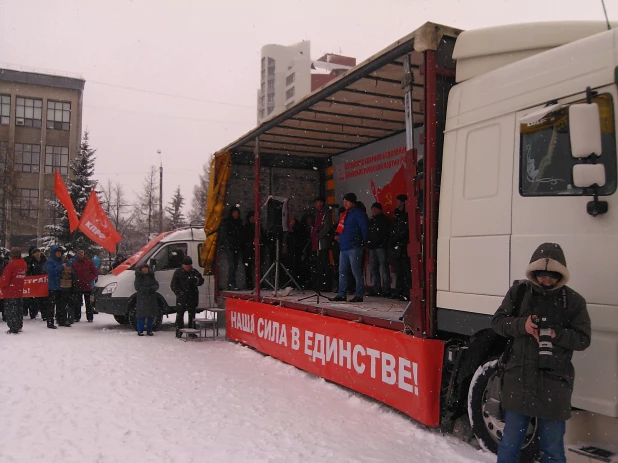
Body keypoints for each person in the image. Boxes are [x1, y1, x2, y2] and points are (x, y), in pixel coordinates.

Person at [492, 243, 591, 463]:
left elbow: (583, 339)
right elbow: (497, 323)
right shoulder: (519, 292)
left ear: (560, 275)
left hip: (555, 384)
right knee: (509, 446)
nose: (546, 281)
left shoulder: (573, 301)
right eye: (541, 275)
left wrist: (556, 333)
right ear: (534, 272)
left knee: (553, 451)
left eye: (552, 276)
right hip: (520, 380)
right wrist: (522, 325)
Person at [329, 193, 368, 303]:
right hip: (344, 247)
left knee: (356, 271)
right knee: (342, 271)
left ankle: (359, 294)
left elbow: (364, 228)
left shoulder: (358, 213)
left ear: (352, 202)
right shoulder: (346, 214)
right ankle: (342, 294)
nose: (344, 203)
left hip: (354, 246)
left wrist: (363, 241)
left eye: (346, 201)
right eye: (344, 201)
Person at [171, 256, 205, 338]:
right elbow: (173, 285)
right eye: (185, 265)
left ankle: (192, 331)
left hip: (192, 297)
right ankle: (179, 331)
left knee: (192, 315)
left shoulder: (194, 272)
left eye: (189, 265)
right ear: (182, 265)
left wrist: (195, 280)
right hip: (182, 297)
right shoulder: (178, 272)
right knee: (180, 315)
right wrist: (179, 293)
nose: (187, 267)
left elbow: (201, 281)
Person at [388, 194, 411, 301]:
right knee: (398, 271)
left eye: (398, 201)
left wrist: (397, 238)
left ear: (403, 202)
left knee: (405, 270)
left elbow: (405, 230)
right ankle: (399, 291)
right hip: (397, 246)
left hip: (403, 245)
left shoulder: (407, 215)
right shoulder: (397, 215)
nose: (396, 203)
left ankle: (406, 292)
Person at [0, 248, 27, 334]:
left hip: (10, 291)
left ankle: (13, 327)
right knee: (18, 309)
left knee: (11, 310)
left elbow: (5, 279)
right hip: (19, 290)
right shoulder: (23, 264)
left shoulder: (11, 265)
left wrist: (1, 285)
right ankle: (18, 325)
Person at [367, 202, 391, 297]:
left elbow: (384, 234)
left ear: (380, 210)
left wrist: (374, 242)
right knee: (375, 269)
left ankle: (385, 289)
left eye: (375, 209)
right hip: (374, 247)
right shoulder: (372, 220)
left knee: (383, 268)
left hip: (380, 247)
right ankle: (378, 289)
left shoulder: (383, 220)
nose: (373, 211)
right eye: (372, 209)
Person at [45, 245, 71, 328]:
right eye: (57, 252)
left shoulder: (62, 261)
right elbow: (51, 272)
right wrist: (61, 267)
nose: (59, 254)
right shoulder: (50, 262)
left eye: (60, 252)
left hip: (61, 285)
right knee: (51, 306)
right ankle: (50, 322)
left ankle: (62, 320)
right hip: (53, 286)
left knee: (62, 304)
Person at [311, 197, 333, 293]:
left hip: (322, 242)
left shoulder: (326, 212)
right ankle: (319, 284)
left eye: (317, 202)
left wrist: (319, 235)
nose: (315, 204)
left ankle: (326, 285)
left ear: (322, 202)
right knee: (319, 264)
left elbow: (327, 226)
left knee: (324, 263)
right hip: (317, 242)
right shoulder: (318, 213)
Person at [71, 250, 98, 322]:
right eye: (79, 253)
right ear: (77, 254)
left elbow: (95, 272)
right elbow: (72, 273)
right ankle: (77, 317)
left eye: (82, 253)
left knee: (88, 303)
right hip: (78, 285)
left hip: (87, 286)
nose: (80, 254)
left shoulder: (89, 262)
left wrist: (89, 279)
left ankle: (90, 317)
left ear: (84, 254)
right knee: (77, 302)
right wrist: (75, 281)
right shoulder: (74, 263)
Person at [134, 263, 159, 336]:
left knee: (151, 315)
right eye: (143, 268)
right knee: (142, 316)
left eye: (146, 268)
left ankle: (149, 330)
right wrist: (148, 289)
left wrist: (152, 288)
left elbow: (156, 284)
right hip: (142, 298)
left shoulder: (151, 276)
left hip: (151, 298)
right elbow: (137, 287)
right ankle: (140, 330)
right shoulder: (139, 276)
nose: (145, 269)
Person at [224, 207, 243, 290]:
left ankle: (232, 283)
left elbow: (240, 235)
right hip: (230, 246)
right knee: (232, 265)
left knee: (234, 266)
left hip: (236, 246)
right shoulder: (227, 223)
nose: (236, 214)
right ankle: (231, 284)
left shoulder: (239, 223)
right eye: (234, 213)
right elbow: (225, 236)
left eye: (237, 213)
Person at [26, 248, 47, 320]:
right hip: (34, 282)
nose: (37, 254)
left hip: (43, 282)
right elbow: (28, 271)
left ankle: (44, 314)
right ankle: (33, 314)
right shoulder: (30, 261)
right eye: (35, 252)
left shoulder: (44, 260)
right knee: (33, 299)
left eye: (38, 252)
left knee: (44, 299)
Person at [242, 211, 258, 290]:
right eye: (251, 217)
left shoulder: (257, 227)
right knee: (248, 269)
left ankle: (257, 284)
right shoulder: (246, 227)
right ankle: (249, 284)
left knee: (256, 267)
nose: (253, 219)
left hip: (255, 250)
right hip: (248, 251)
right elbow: (243, 239)